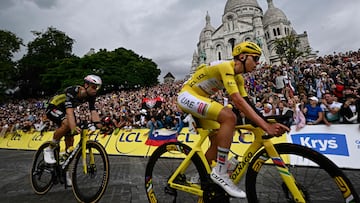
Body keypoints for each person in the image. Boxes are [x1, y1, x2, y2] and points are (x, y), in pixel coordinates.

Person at [177, 41, 289, 198]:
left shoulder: (239, 79)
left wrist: (266, 120)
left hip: (200, 99)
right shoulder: (226, 67)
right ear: (242, 57)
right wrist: (264, 125)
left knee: (217, 139)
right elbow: (238, 101)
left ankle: (201, 176)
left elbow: (247, 102)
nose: (258, 63)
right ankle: (220, 171)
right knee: (229, 116)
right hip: (187, 96)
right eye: (255, 58)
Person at [43, 74, 103, 185]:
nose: (96, 90)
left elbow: (93, 111)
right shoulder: (73, 91)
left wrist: (101, 126)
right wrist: (73, 127)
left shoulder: (91, 96)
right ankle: (49, 148)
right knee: (67, 124)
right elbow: (70, 112)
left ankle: (65, 171)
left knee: (70, 143)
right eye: (94, 87)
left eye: (98, 87)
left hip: (65, 111)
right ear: (86, 85)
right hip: (54, 107)